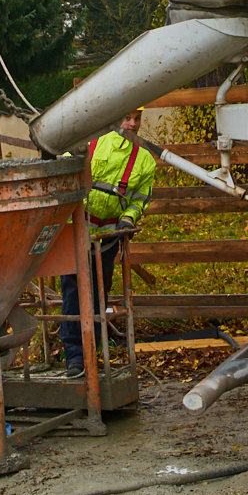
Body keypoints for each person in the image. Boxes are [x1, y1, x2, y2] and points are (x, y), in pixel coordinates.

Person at [60, 108, 157, 375]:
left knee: (99, 292)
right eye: (127, 117)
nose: (133, 124)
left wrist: (129, 219)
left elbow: (140, 199)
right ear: (115, 117)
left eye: (137, 119)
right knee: (73, 292)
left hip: (108, 238)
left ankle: (94, 352)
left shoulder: (145, 160)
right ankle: (75, 357)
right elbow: (62, 171)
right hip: (76, 231)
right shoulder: (90, 142)